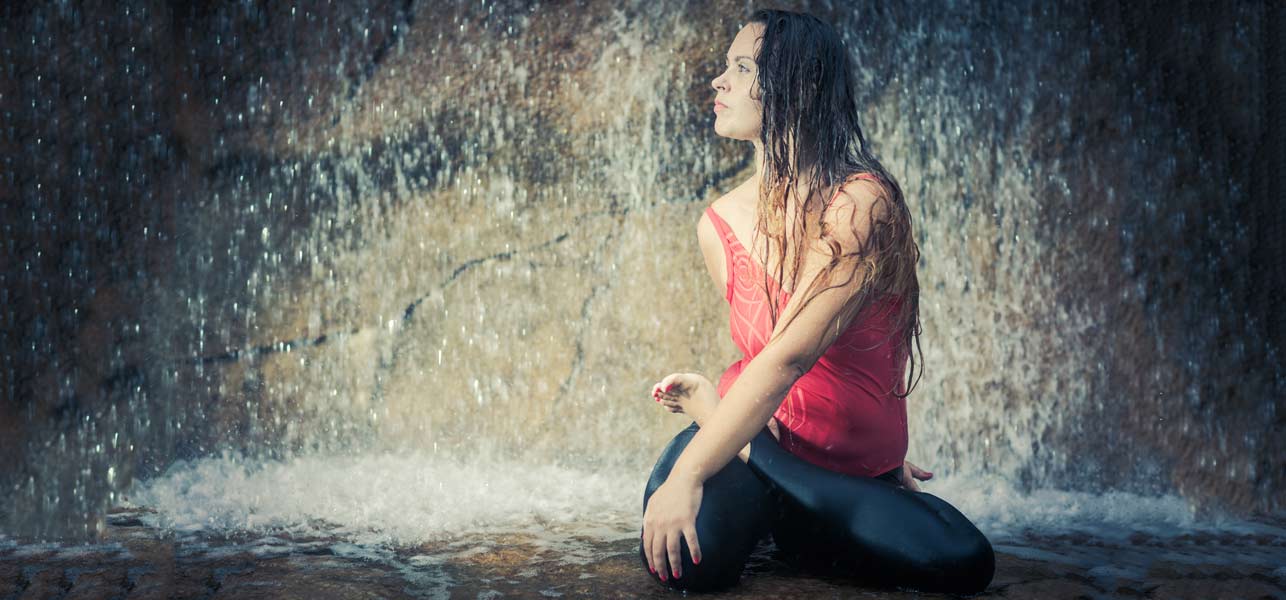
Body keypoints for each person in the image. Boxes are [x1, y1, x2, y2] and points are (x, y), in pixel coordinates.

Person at [637, 9, 994, 594]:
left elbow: (789, 360)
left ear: (798, 87)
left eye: (741, 68)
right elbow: (765, 364)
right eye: (725, 67)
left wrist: (697, 455)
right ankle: (787, 493)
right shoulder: (719, 223)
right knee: (686, 563)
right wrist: (688, 477)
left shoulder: (861, 204)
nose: (718, 82)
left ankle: (767, 470)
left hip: (844, 470)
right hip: (769, 439)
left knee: (961, 561)